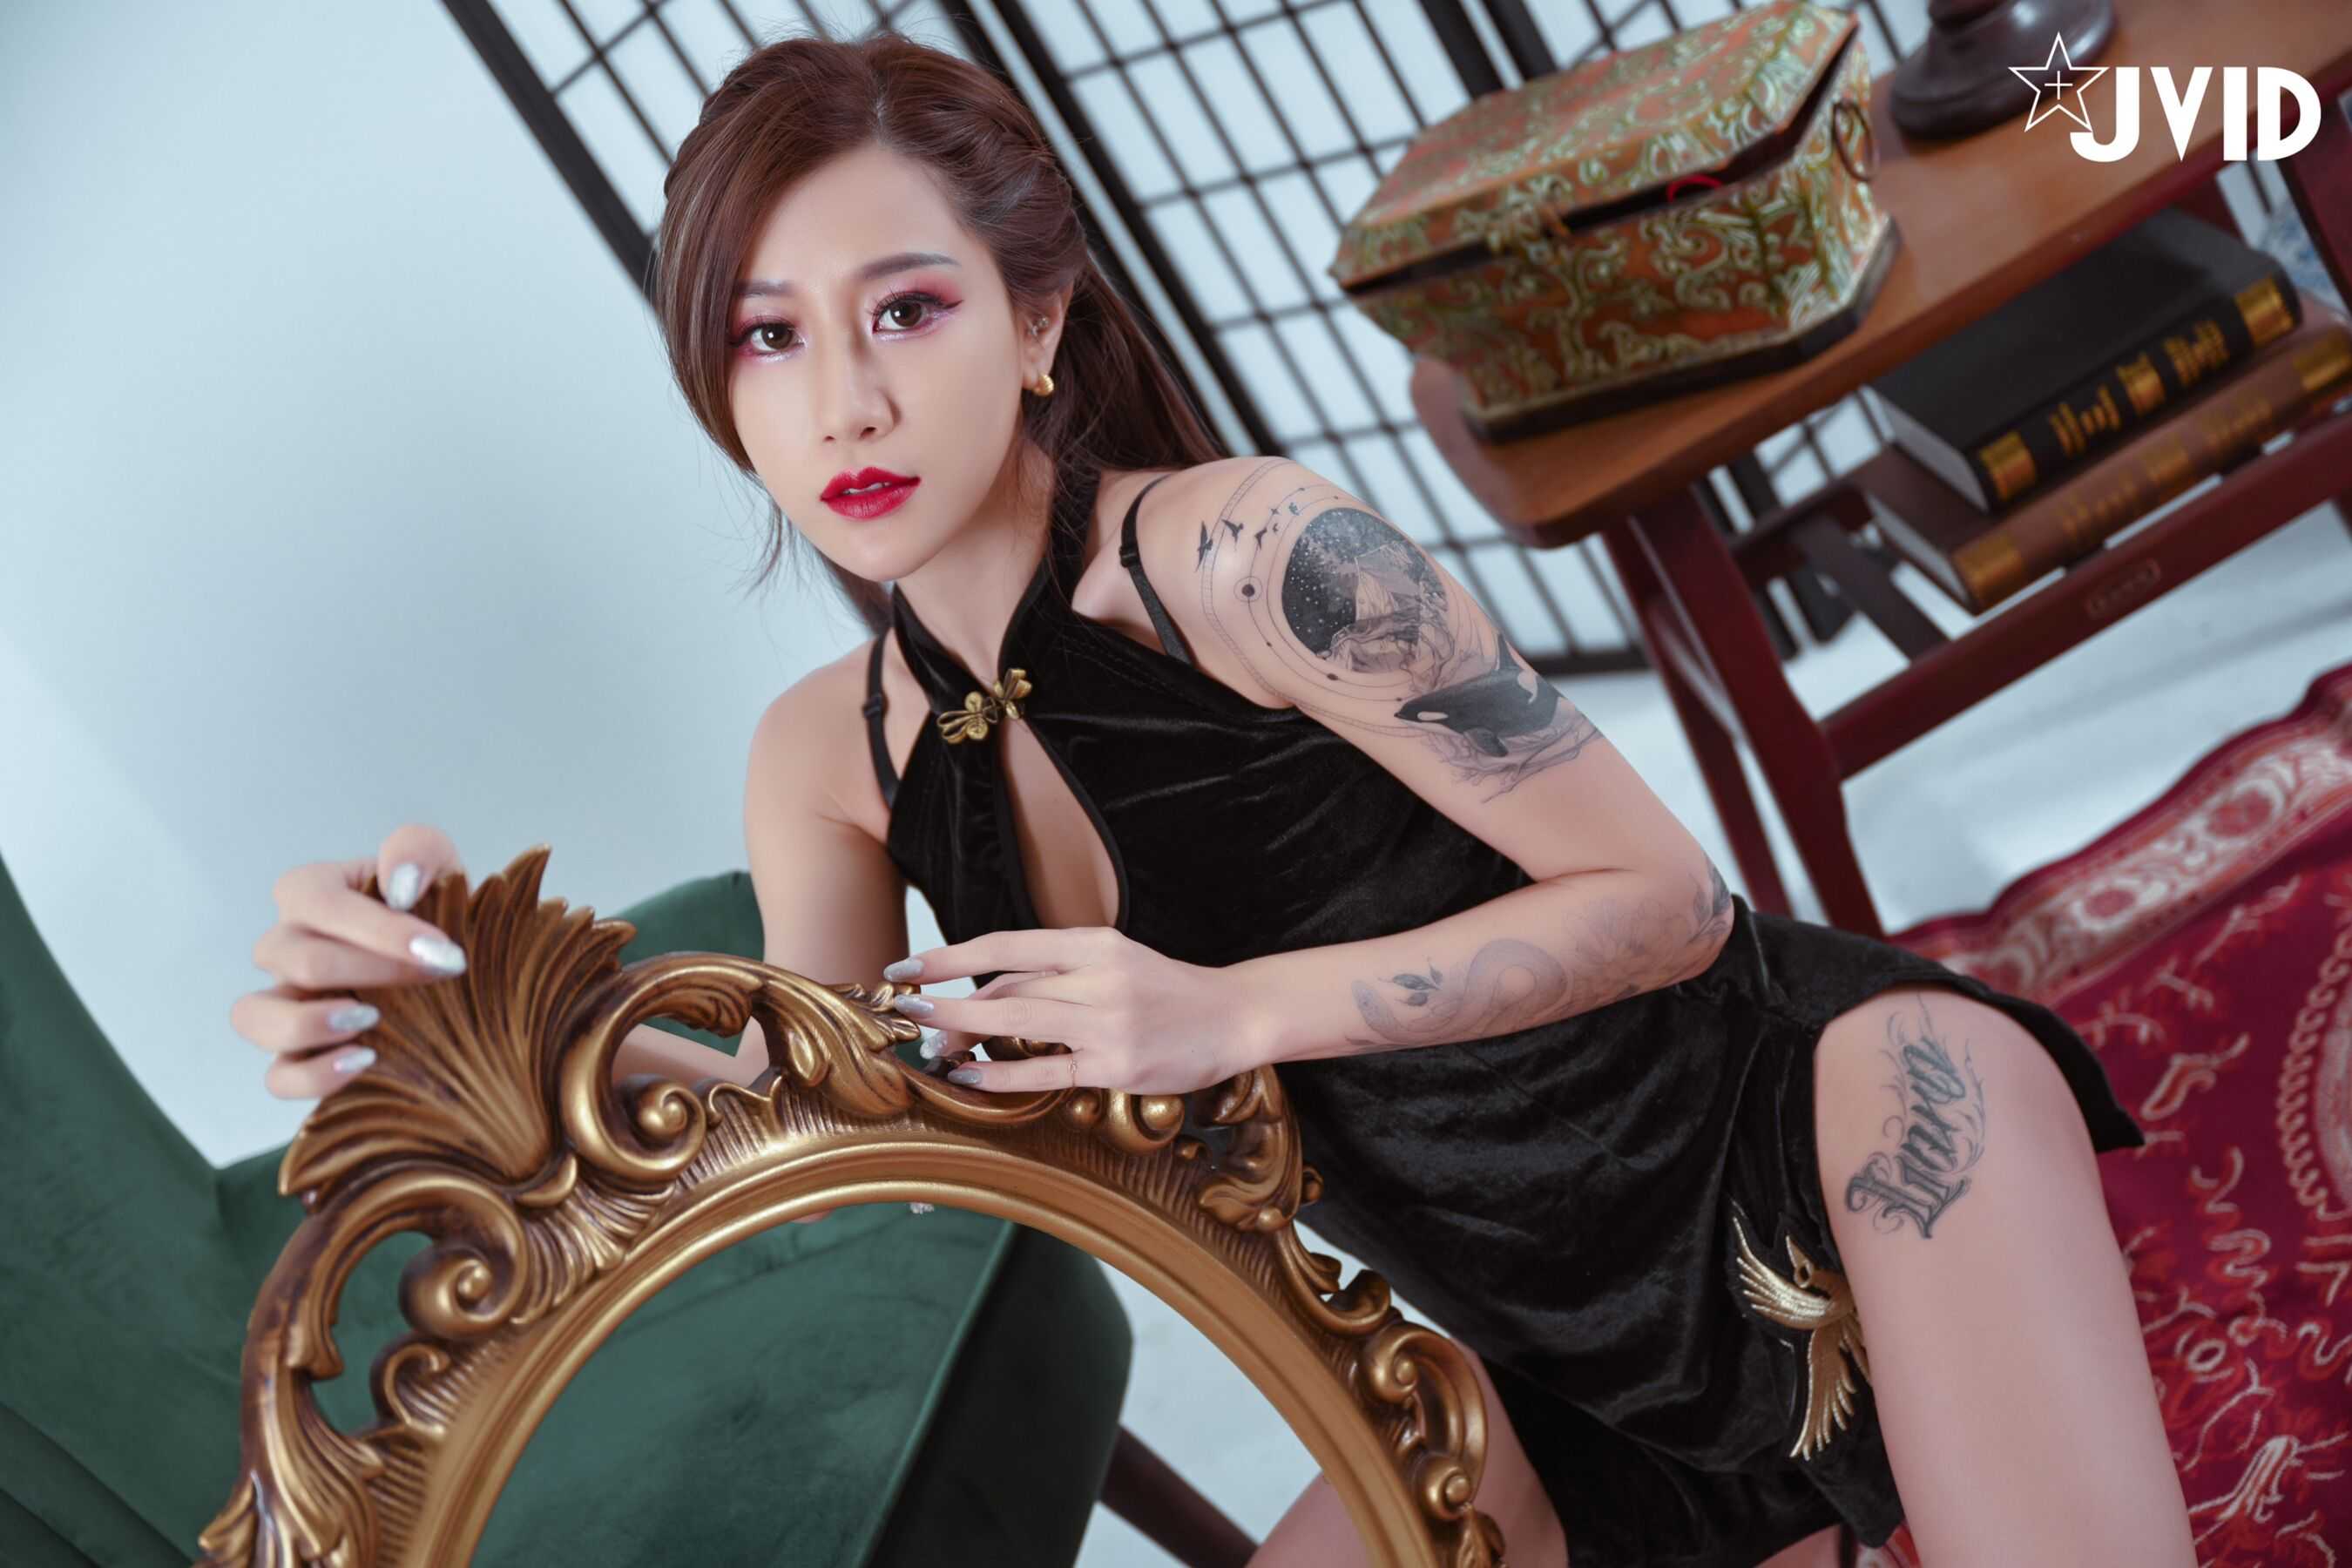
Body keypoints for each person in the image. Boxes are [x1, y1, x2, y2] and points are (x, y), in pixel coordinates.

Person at [229, 26, 2199, 1568]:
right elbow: (814, 1116)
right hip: (1536, 1385)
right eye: (767, 335)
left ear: (1038, 322)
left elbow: (1673, 903)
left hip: (1832, 1148)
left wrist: (1230, 1012)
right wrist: (480, 1012)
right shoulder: (824, 758)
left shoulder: (1250, 558)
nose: (843, 401)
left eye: (905, 308)